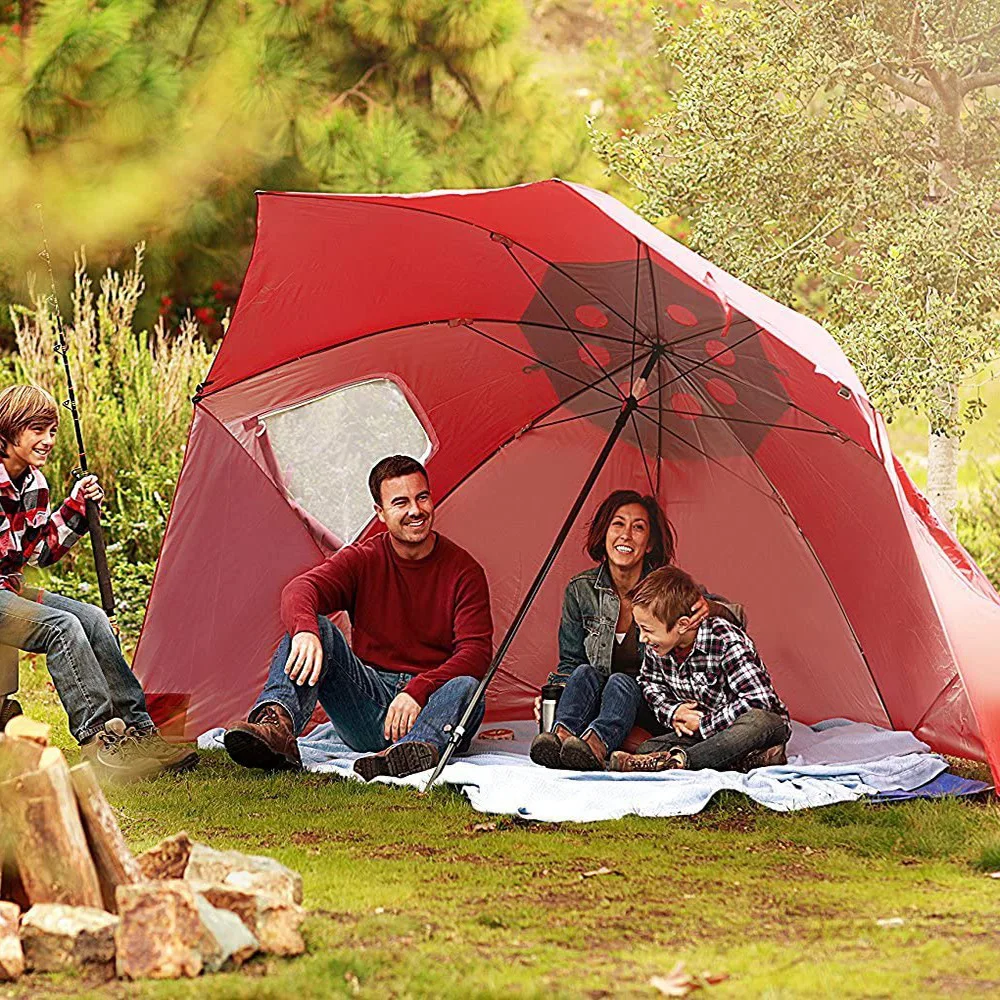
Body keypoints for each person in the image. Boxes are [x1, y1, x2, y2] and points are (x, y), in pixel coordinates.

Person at [224, 455, 493, 781]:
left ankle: (410, 751)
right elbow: (300, 589)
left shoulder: (464, 571)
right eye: (400, 502)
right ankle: (277, 726)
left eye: (422, 497)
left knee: (467, 687)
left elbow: (475, 654)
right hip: (369, 703)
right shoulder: (363, 559)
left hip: (435, 704)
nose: (415, 511)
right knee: (317, 629)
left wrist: (418, 689)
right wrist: (305, 630)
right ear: (380, 513)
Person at [0, 384, 196, 779]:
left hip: (9, 588)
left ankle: (138, 728)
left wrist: (76, 506)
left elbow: (38, 553)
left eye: (52, 431)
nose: (48, 441)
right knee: (62, 627)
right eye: (38, 430)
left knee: (91, 618)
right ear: (9, 430)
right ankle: (98, 742)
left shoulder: (34, 483)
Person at [529, 489, 716, 771]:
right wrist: (555, 696)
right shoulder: (580, 590)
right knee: (583, 673)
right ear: (604, 533)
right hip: (599, 701)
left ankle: (595, 746)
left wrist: (711, 608)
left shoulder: (667, 589)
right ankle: (560, 739)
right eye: (618, 524)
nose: (626, 535)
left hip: (649, 705)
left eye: (638, 527)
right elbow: (570, 662)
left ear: (650, 543)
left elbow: (731, 614)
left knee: (621, 682)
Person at [609, 565, 790, 773]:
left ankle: (677, 763)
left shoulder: (725, 639)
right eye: (639, 629)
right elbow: (649, 682)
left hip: (753, 726)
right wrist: (673, 712)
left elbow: (759, 700)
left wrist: (704, 724)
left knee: (760, 720)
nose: (642, 638)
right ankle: (745, 761)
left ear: (683, 624)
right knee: (647, 749)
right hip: (705, 734)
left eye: (647, 630)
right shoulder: (657, 645)